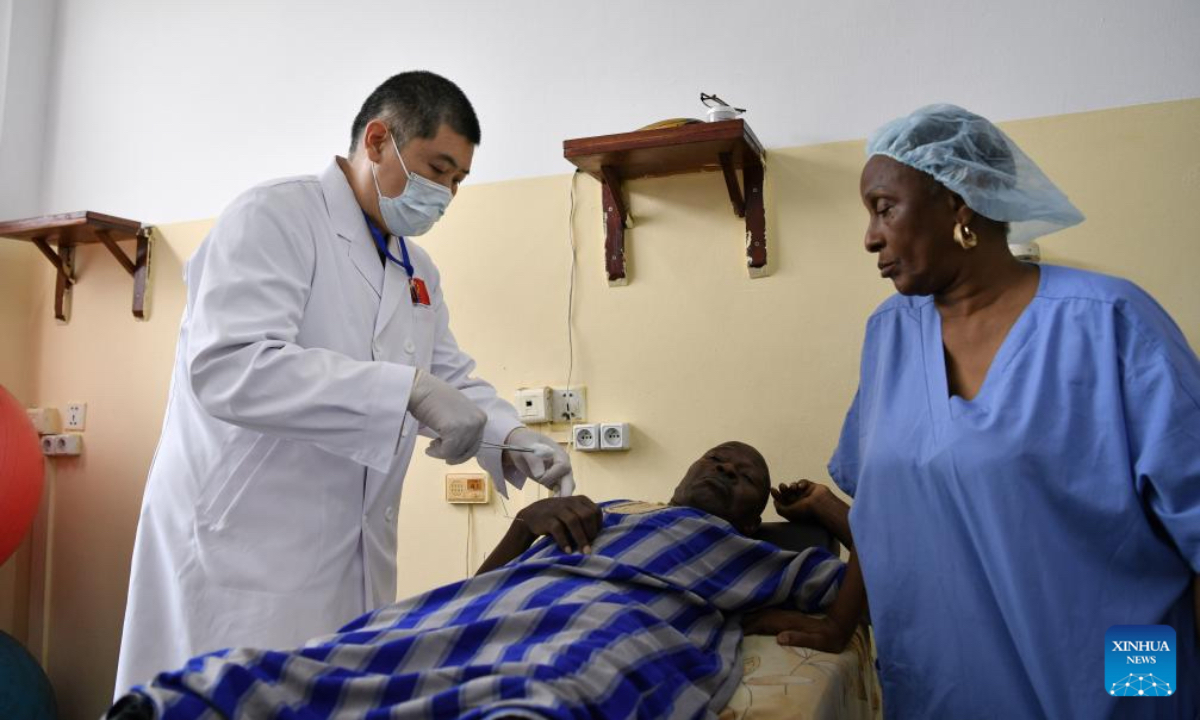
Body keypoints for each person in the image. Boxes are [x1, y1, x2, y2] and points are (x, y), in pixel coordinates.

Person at [114, 71, 575, 696]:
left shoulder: (417, 268)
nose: (444, 194)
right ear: (379, 140)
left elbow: (448, 375)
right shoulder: (274, 216)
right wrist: (404, 391)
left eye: (458, 181)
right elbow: (229, 366)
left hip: (348, 553)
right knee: (218, 703)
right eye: (436, 169)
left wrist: (511, 435)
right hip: (241, 545)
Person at [828, 103, 1200, 718]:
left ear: (959, 202)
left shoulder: (1108, 321)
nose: (870, 236)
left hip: (1120, 676)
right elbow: (882, 514)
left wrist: (1143, 692)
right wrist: (838, 625)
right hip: (944, 687)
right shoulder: (889, 335)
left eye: (884, 207)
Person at [106, 442, 866, 720]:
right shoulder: (598, 511)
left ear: (751, 513)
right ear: (683, 475)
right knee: (371, 648)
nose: (726, 476)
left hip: (613, 626)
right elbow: (480, 590)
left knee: (556, 682)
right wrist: (524, 525)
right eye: (716, 463)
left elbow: (873, 573)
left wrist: (829, 512)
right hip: (500, 610)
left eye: (745, 480)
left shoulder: (748, 553)